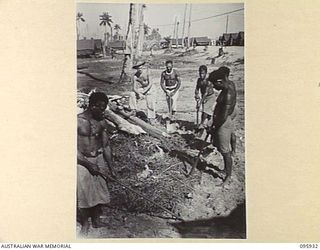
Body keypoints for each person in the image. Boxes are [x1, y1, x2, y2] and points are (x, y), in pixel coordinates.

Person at [77, 92, 116, 236]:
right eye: (100, 108)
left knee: (99, 191)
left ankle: (96, 220)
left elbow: (106, 146)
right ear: (92, 106)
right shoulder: (77, 121)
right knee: (84, 193)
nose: (103, 111)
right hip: (81, 160)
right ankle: (85, 224)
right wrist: (87, 164)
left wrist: (111, 168)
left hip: (98, 158)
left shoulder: (102, 122)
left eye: (104, 108)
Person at [208, 67, 237, 183]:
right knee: (223, 147)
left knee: (225, 151)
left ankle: (228, 176)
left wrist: (214, 127)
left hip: (224, 122)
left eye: (214, 85)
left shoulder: (228, 94)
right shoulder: (229, 84)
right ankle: (226, 170)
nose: (214, 87)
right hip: (226, 119)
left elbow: (223, 116)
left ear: (219, 81)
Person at [194, 65, 217, 129]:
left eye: (203, 73)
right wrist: (196, 94)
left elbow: (206, 93)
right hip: (203, 97)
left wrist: (200, 103)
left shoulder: (208, 81)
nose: (201, 75)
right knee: (207, 112)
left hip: (210, 97)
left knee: (205, 111)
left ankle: (201, 124)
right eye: (200, 73)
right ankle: (210, 123)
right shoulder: (199, 80)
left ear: (206, 73)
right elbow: (197, 88)